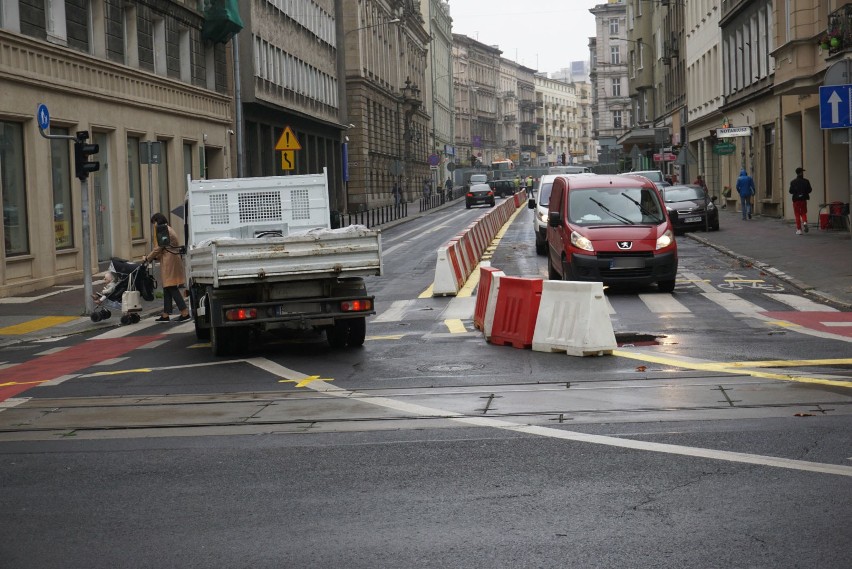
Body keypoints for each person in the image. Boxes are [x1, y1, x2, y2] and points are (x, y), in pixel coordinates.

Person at [144, 213, 190, 322]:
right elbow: (165, 247)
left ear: (157, 221)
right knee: (167, 287)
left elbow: (159, 248)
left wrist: (148, 258)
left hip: (170, 262)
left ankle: (184, 312)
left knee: (171, 287)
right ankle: (166, 314)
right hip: (171, 259)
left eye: (154, 223)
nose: (154, 226)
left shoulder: (164, 230)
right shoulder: (168, 229)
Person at [789, 167, 813, 235]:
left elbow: (790, 191)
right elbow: (810, 190)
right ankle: (805, 222)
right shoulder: (806, 181)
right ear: (801, 173)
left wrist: (796, 192)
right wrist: (804, 192)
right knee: (803, 212)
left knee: (797, 214)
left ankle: (799, 230)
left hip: (796, 200)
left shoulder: (793, 182)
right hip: (803, 199)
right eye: (802, 172)